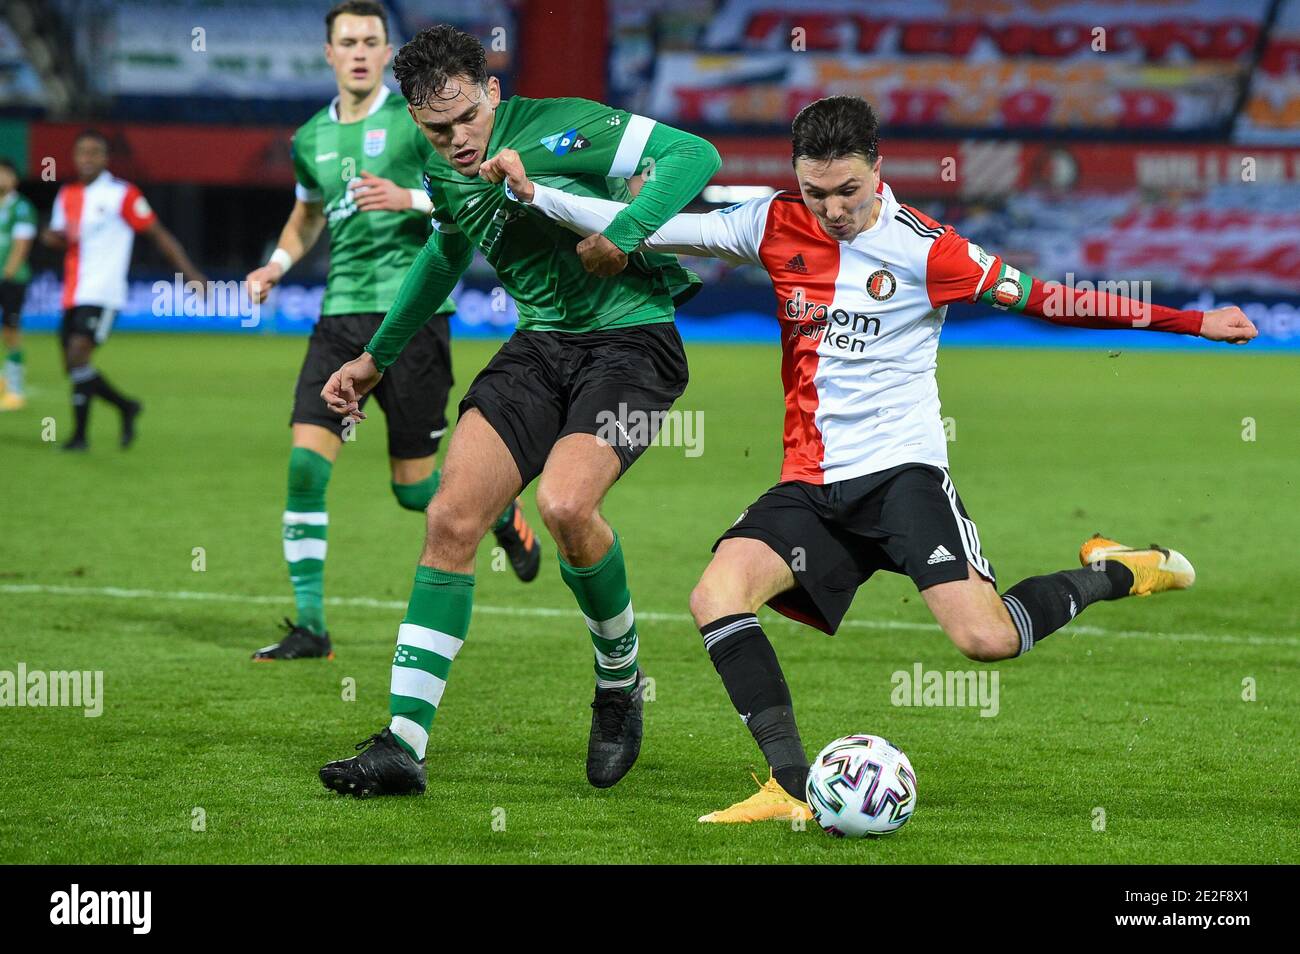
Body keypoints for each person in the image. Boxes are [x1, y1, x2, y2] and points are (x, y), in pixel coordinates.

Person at [488, 94, 1258, 823]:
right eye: (816, 191)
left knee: (985, 641)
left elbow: (1056, 299)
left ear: (878, 169)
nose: (831, 209)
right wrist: (533, 195)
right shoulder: (771, 222)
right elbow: (645, 224)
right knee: (715, 596)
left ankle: (1116, 569)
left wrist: (1192, 322)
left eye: (847, 191)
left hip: (901, 478)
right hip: (810, 485)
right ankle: (791, 786)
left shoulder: (932, 252)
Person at [315, 23, 720, 797]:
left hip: (635, 348)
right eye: (436, 128)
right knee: (451, 518)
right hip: (539, 349)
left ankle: (618, 679)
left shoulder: (562, 127)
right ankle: (402, 744)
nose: (457, 139)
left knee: (565, 506)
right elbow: (443, 255)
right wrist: (375, 359)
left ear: (492, 92)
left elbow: (694, 155)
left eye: (467, 117)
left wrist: (626, 233)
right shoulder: (448, 177)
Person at [246, 1, 540, 664]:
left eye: (370, 41)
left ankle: (501, 512)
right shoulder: (309, 138)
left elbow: (466, 196)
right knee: (303, 468)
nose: (357, 51)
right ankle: (312, 628)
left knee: (414, 490)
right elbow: (306, 215)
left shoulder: (417, 123)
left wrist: (404, 198)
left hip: (413, 317)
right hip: (338, 315)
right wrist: (278, 262)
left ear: (386, 52)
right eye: (346, 41)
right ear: (328, 53)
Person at [41, 129, 206, 451]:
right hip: (73, 291)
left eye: (95, 153)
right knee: (73, 365)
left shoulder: (122, 194)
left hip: (104, 292)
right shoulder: (67, 194)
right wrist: (50, 237)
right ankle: (125, 407)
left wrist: (191, 274)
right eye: (82, 153)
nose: (87, 159)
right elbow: (64, 238)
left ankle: (80, 436)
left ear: (105, 158)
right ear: (74, 158)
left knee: (78, 355)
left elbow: (158, 234)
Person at [0, 157, 36, 410]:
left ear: (14, 179)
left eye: (4, 174)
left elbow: (20, 247)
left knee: (10, 331)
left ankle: (15, 389)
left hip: (12, 279)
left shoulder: (22, 208)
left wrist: (7, 274)